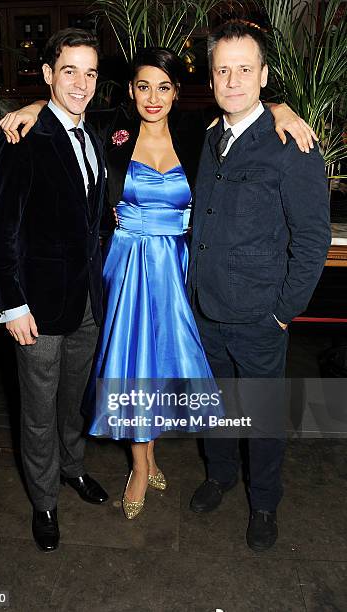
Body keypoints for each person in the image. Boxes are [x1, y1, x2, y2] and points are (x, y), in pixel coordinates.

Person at [0, 47, 318, 522]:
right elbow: (63, 110)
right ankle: (141, 465)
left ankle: (238, 487)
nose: (153, 97)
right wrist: (28, 106)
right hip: (125, 270)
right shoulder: (111, 132)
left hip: (181, 273)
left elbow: (242, 108)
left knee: (178, 375)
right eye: (143, 86)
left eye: (164, 87)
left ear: (178, 93)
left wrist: (282, 107)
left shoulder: (197, 133)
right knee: (132, 369)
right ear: (130, 90)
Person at [188, 21, 331, 552]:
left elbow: (313, 237)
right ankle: (220, 474)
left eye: (244, 69)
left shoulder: (290, 143)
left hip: (259, 315)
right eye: (223, 69)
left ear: (264, 75)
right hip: (205, 309)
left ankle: (265, 501)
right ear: (212, 75)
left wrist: (283, 311)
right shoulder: (205, 136)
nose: (232, 80)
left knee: (263, 415)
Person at [0, 28, 109, 553]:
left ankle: (73, 469)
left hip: (85, 301)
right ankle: (44, 502)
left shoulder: (94, 135)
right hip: (34, 305)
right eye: (69, 71)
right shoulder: (21, 139)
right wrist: (11, 304)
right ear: (47, 75)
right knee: (37, 409)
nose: (81, 83)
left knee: (74, 400)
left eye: (90, 73)